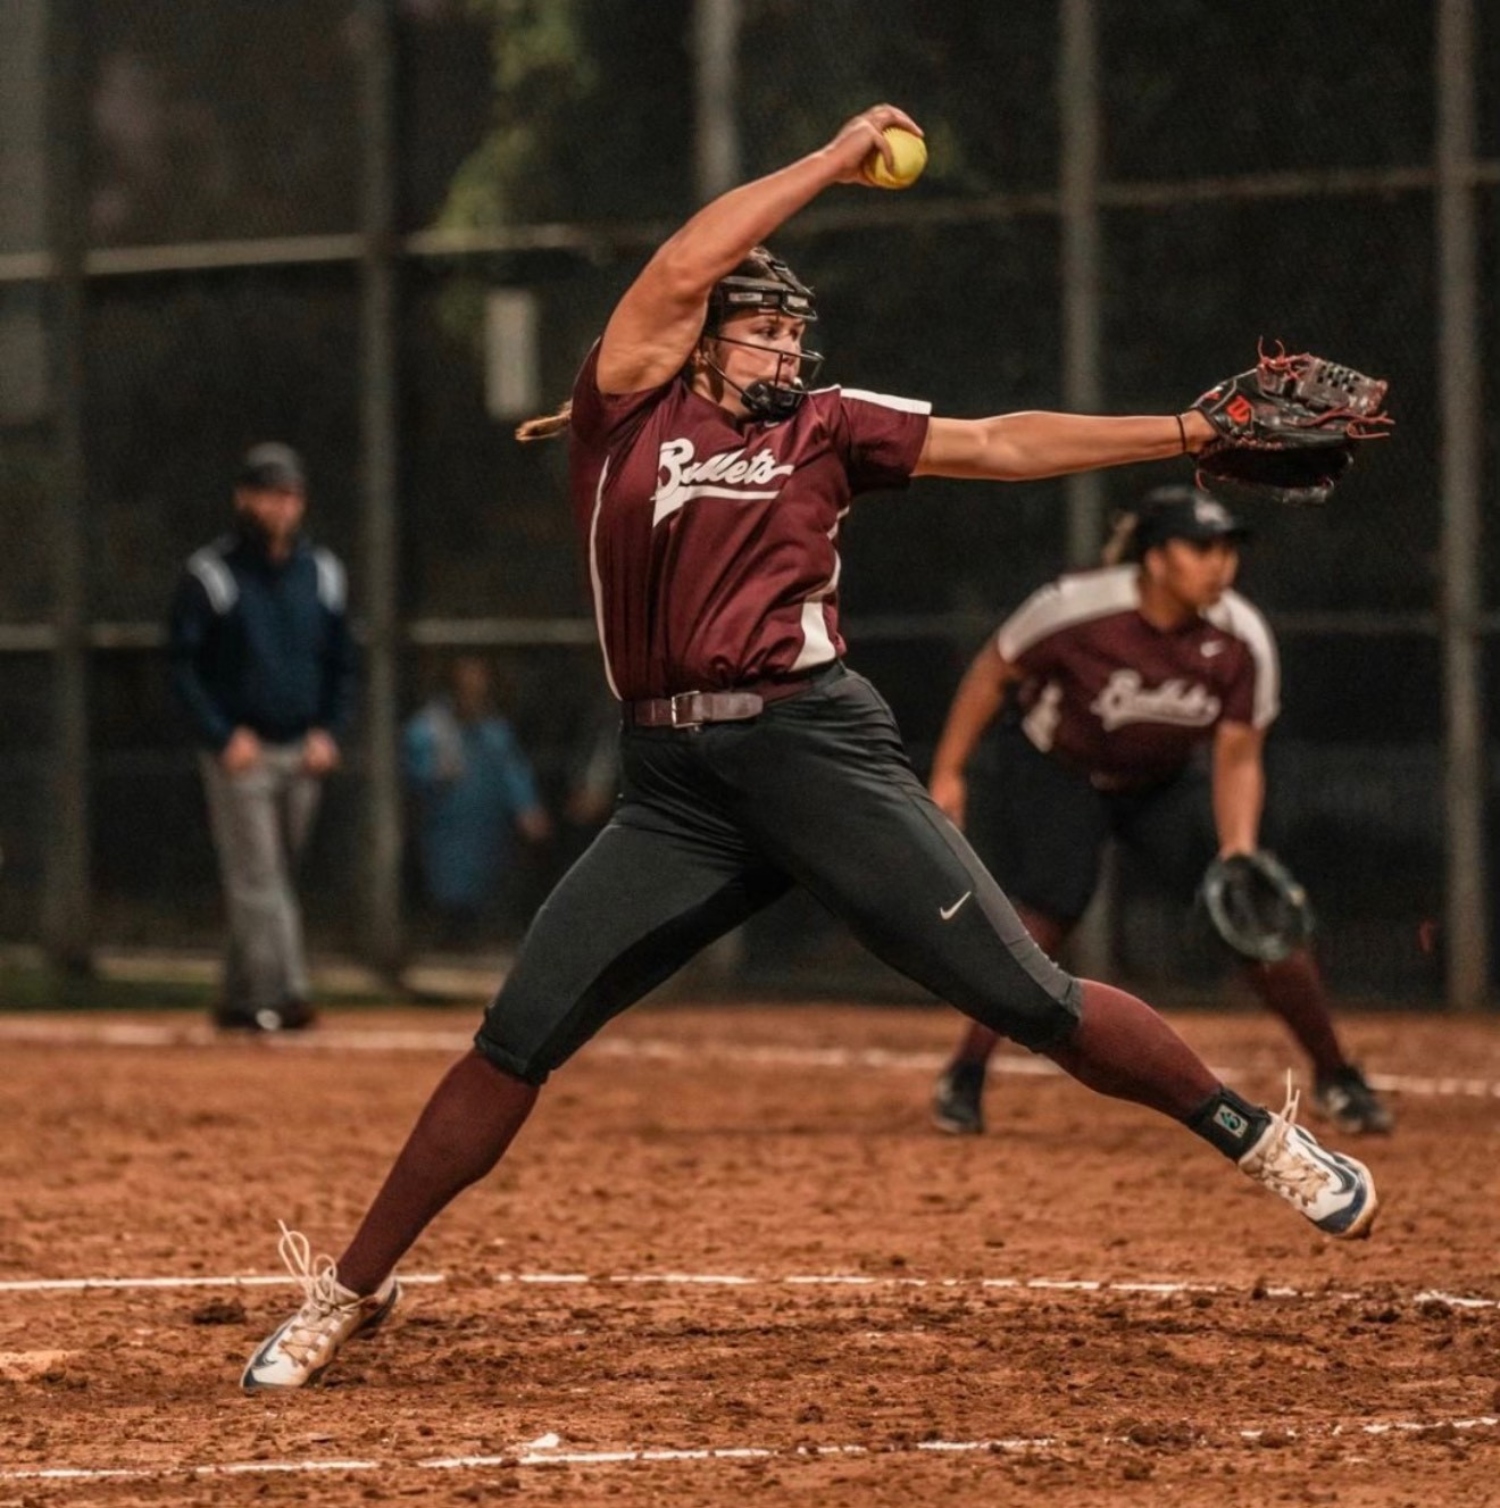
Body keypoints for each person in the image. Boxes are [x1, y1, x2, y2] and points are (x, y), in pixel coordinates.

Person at [240, 105, 1377, 1393]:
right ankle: (351, 1286)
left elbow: (1002, 443)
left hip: (816, 751)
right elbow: (678, 266)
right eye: (760, 325)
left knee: (1030, 1000)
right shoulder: (625, 410)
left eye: (793, 328)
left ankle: (1255, 1134)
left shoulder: (826, 425)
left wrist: (1184, 434)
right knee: (516, 1036)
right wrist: (835, 161)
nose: (784, 344)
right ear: (694, 340)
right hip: (673, 790)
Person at [927, 485, 1393, 1138]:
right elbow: (990, 674)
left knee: (1252, 916)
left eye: (1227, 549)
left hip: (1158, 782)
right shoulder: (1075, 608)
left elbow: (1237, 756)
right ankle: (965, 1075)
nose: (1219, 564)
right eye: (1200, 548)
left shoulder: (1240, 637)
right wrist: (948, 772)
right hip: (1056, 768)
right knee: (1051, 905)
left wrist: (1236, 850)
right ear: (1154, 558)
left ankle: (1337, 1076)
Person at [168, 442, 356, 1033]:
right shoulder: (211, 575)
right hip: (241, 754)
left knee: (269, 880)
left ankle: (236, 996)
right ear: (244, 498)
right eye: (271, 493)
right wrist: (222, 736)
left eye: (291, 495)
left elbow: (342, 661)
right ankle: (287, 993)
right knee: (260, 879)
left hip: (301, 748)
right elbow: (182, 667)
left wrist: (329, 730)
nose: (282, 506)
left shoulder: (322, 573)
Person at [403, 655, 552, 947]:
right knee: (447, 884)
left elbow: (513, 771)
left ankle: (473, 936)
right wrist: (434, 773)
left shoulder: (494, 731)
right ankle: (447, 936)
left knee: (483, 885)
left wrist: (528, 808)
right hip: (445, 822)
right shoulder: (431, 726)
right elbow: (415, 769)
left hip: (486, 825)